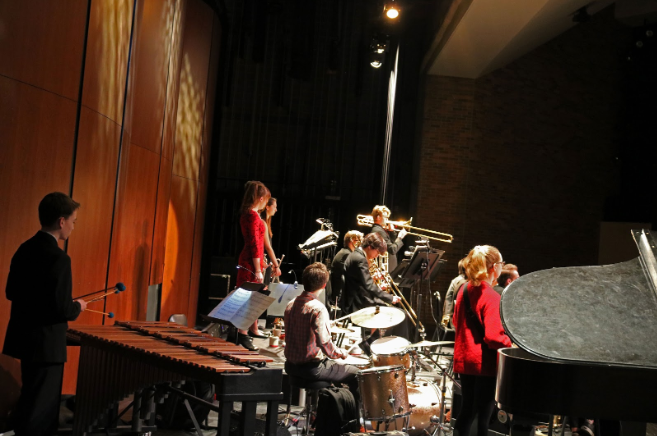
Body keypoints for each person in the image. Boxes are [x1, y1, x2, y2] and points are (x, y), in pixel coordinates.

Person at [3, 192, 88, 436]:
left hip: (25, 341)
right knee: (42, 412)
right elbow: (63, 309)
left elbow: (11, 292)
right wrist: (77, 307)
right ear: (62, 222)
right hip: (48, 345)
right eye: (73, 221)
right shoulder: (59, 258)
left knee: (30, 402)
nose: (73, 226)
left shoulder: (24, 249)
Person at [452, 245, 512, 436]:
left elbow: (455, 322)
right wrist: (510, 343)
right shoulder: (492, 297)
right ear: (494, 267)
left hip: (464, 360)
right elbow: (494, 338)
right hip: (483, 364)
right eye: (501, 264)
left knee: (466, 412)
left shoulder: (464, 289)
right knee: (481, 419)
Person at [284, 262, 360, 401]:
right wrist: (341, 353)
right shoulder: (318, 308)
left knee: (338, 371)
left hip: (290, 366)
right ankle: (352, 419)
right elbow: (324, 344)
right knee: (356, 374)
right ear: (324, 285)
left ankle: (325, 410)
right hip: (311, 369)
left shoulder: (291, 303)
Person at [235, 181, 280, 350]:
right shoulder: (253, 217)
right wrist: (258, 270)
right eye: (265, 199)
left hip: (250, 260)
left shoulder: (246, 214)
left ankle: (242, 333)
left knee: (248, 299)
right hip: (251, 262)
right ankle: (243, 334)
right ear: (261, 198)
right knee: (249, 300)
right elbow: (255, 244)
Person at [342, 232, 401, 315]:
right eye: (377, 252)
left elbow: (360, 280)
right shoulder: (361, 259)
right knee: (397, 314)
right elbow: (369, 285)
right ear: (369, 247)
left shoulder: (355, 254)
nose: (376, 256)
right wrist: (390, 298)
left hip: (358, 298)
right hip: (358, 302)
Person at [329, 230, 363, 308]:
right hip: (340, 297)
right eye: (359, 241)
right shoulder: (346, 254)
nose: (360, 244)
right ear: (352, 240)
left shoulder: (346, 252)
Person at [369, 205, 407, 273]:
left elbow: (393, 243)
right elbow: (392, 249)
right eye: (385, 218)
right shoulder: (378, 231)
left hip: (389, 268)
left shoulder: (381, 230)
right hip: (386, 269)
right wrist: (400, 237)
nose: (388, 220)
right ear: (378, 217)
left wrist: (391, 231)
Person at [441, 257, 467, 329]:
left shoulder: (455, 280)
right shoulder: (464, 282)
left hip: (449, 316)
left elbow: (448, 299)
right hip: (456, 320)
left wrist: (445, 320)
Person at [261, 197, 282, 284]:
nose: (276, 210)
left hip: (265, 263)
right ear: (267, 207)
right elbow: (268, 247)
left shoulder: (266, 223)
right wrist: (276, 266)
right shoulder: (262, 222)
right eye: (275, 207)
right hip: (262, 264)